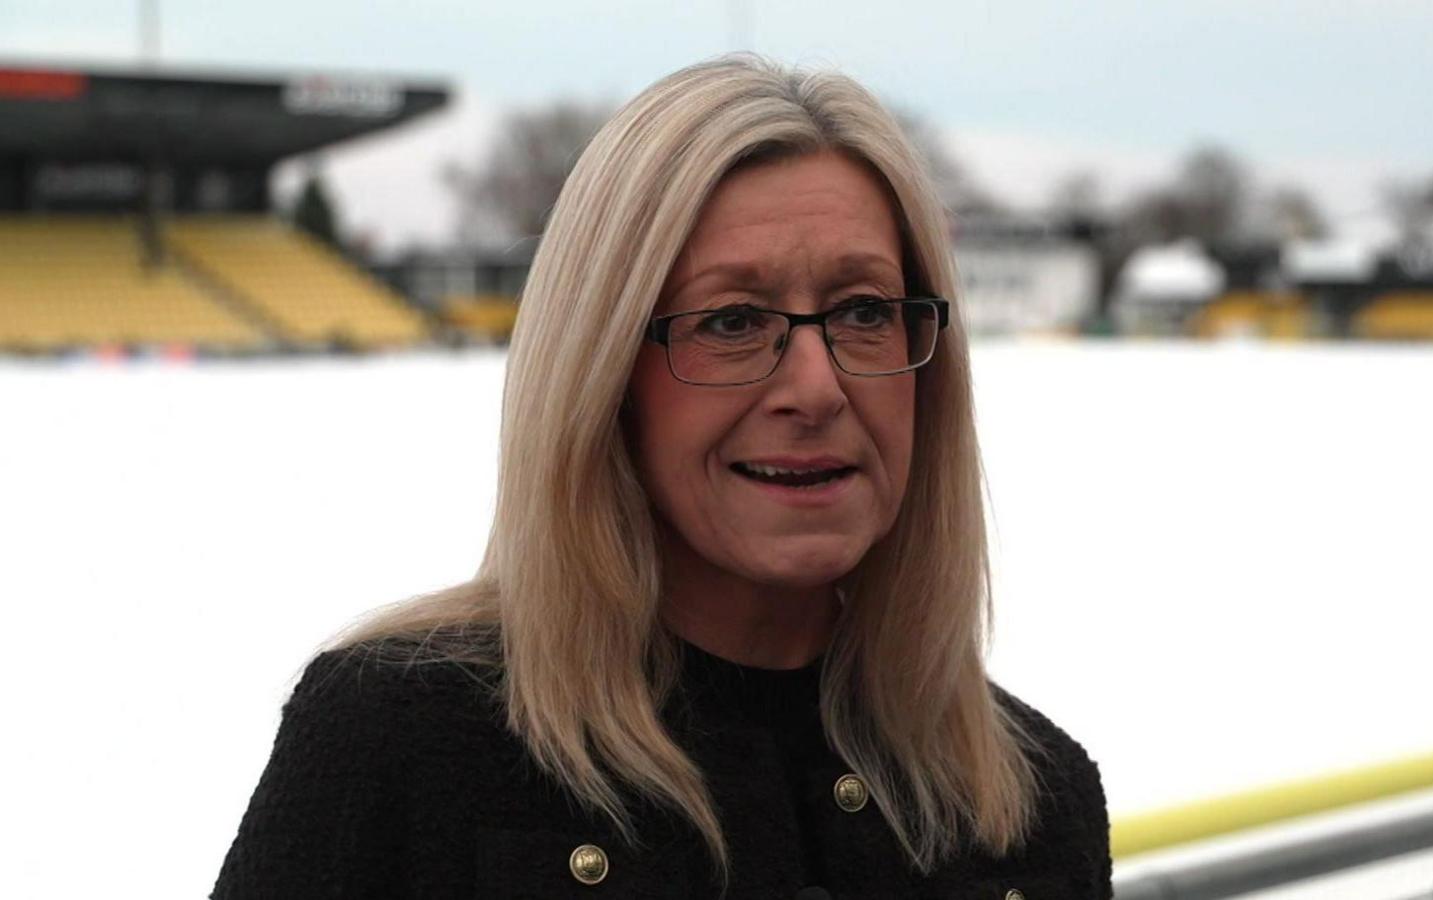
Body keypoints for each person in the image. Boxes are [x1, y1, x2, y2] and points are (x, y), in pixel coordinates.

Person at [213, 54, 1110, 900]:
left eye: (866, 310)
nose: (816, 388)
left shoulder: (1033, 795)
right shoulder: (395, 739)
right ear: (604, 378)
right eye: (731, 321)